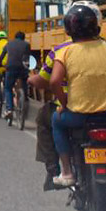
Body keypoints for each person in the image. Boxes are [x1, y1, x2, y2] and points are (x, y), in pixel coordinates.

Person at [50, 0, 106, 188]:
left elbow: (54, 81)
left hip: (78, 116)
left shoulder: (65, 52)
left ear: (69, 29)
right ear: (95, 26)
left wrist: (64, 103)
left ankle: (66, 172)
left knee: (56, 122)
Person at [28, 39, 73, 190]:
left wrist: (32, 79)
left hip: (70, 106)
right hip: (103, 108)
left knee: (45, 118)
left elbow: (49, 81)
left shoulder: (60, 51)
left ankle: (54, 169)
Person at [0, 31, 31, 119]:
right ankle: (25, 100)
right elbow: (28, 57)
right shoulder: (27, 45)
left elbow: (2, 55)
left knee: (8, 88)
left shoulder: (9, 43)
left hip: (11, 67)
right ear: (23, 38)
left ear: (15, 37)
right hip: (23, 68)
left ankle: (9, 109)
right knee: (24, 85)